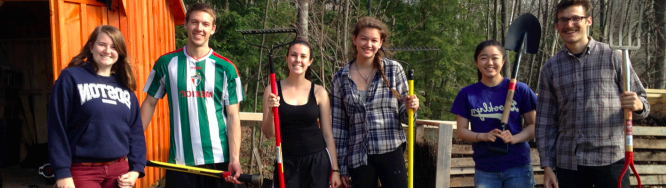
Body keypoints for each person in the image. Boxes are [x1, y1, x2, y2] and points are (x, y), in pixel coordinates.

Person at [536, 0, 651, 188]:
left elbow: (644, 104)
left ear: (588, 21)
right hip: (569, 163)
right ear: (557, 25)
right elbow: (545, 122)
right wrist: (547, 166)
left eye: (576, 18)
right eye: (563, 20)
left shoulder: (614, 56)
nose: (569, 24)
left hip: (611, 160)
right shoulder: (550, 68)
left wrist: (638, 105)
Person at [140, 3, 244, 187]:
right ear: (186, 24)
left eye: (205, 24)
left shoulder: (226, 68)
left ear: (213, 29)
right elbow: (149, 104)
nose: (199, 28)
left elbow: (234, 115)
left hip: (218, 159)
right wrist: (133, 145)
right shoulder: (166, 63)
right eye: (194, 22)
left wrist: (235, 158)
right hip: (180, 160)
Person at [48, 25, 146, 188]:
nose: (108, 50)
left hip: (120, 172)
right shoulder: (71, 78)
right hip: (82, 171)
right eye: (102, 44)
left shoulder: (125, 86)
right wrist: (62, 172)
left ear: (120, 52)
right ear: (91, 46)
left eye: (114, 47)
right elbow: (56, 127)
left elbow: (135, 132)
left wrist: (136, 169)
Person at [331, 16, 419, 188]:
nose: (368, 44)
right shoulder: (340, 78)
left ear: (381, 43)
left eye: (374, 40)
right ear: (355, 39)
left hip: (391, 150)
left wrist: (411, 108)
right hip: (358, 156)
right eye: (364, 38)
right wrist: (341, 168)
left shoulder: (394, 70)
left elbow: (405, 117)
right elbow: (339, 128)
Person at [450, 40, 537, 188]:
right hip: (485, 170)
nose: (489, 62)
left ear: (503, 62)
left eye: (495, 58)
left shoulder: (520, 90)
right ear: (476, 62)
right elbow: (461, 131)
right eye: (484, 58)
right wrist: (482, 136)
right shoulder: (467, 94)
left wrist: (514, 138)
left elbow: (534, 126)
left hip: (518, 167)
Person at [261, 39, 342, 188]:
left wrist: (335, 170)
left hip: (317, 162)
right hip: (286, 162)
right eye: (293, 55)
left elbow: (327, 134)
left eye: (303, 56)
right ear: (286, 58)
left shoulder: (319, 92)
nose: (298, 60)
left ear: (310, 61)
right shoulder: (272, 89)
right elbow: (268, 134)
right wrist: (272, 112)